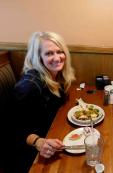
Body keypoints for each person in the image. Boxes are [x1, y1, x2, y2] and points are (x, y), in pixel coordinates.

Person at [4, 31, 75, 173]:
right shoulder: (28, 86)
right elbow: (12, 130)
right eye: (49, 53)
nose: (57, 58)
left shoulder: (56, 75)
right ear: (38, 57)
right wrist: (38, 142)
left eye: (60, 52)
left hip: (54, 135)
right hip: (31, 155)